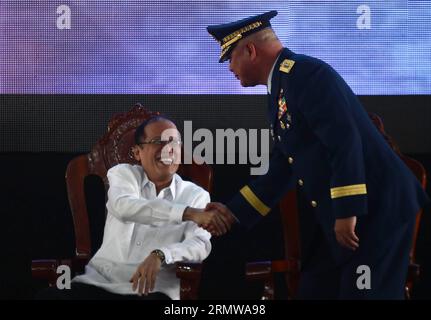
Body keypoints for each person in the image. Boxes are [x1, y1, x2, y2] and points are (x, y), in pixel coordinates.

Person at [199, 10, 429, 299]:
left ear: (250, 50)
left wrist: (347, 212)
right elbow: (282, 168)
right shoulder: (282, 86)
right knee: (314, 290)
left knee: (366, 294)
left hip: (373, 212)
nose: (229, 67)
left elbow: (344, 142)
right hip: (346, 216)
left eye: (229, 57)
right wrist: (232, 213)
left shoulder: (307, 75)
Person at [37, 116, 212, 300]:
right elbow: (124, 206)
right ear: (137, 152)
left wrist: (162, 254)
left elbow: (200, 244)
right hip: (102, 284)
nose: (168, 149)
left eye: (174, 141)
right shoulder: (123, 174)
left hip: (153, 289)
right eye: (157, 142)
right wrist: (186, 213)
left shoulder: (196, 195)